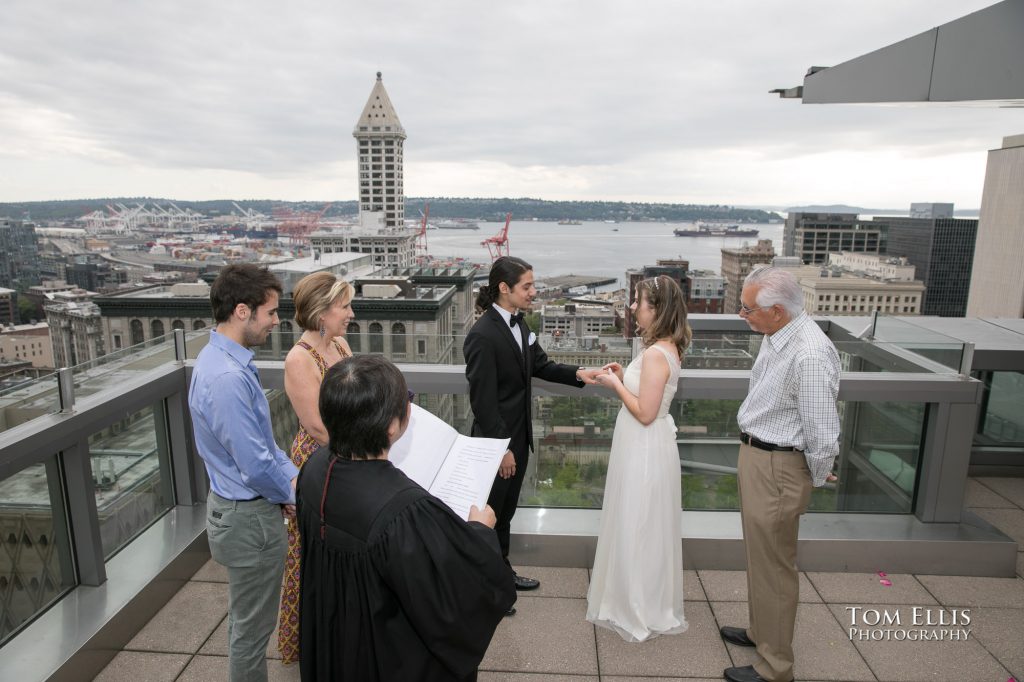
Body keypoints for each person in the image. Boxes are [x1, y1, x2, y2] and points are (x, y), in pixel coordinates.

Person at [297, 355, 516, 681]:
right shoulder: (404, 512)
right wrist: (479, 532)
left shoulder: (313, 471)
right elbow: (455, 600)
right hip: (385, 656)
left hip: (333, 641)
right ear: (393, 426)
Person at [719, 266, 840, 682]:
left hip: (779, 465)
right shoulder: (776, 336)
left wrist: (818, 472)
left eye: (748, 308)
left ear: (776, 310)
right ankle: (761, 633)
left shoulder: (807, 352)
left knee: (774, 567)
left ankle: (775, 668)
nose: (741, 314)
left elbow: (823, 429)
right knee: (760, 556)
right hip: (760, 457)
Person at [463, 256, 600, 606]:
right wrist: (501, 449)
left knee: (505, 513)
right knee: (489, 514)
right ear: (504, 288)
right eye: (527, 286)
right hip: (499, 445)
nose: (533, 292)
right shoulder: (481, 335)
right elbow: (483, 402)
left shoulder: (520, 326)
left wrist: (580, 373)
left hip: (521, 440)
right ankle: (486, 590)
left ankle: (501, 574)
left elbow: (542, 365)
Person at [188, 264, 296, 682]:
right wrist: (291, 493)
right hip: (249, 520)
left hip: (237, 510)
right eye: (269, 312)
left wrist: (289, 480)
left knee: (244, 619)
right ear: (241, 311)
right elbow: (255, 464)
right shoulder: (229, 378)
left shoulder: (215, 359)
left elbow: (266, 449)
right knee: (252, 633)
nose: (275, 321)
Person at [586, 275, 691, 642]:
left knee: (639, 519)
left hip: (644, 444)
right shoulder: (664, 349)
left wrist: (615, 385)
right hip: (643, 443)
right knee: (640, 519)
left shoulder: (657, 354)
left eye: (638, 302)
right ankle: (636, 596)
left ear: (657, 309)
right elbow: (647, 395)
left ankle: (637, 605)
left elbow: (645, 412)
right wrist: (623, 375)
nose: (632, 307)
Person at [277, 272, 355, 664]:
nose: (351, 314)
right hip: (320, 465)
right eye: (345, 307)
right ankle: (309, 641)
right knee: (311, 550)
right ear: (322, 312)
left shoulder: (340, 344)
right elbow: (317, 428)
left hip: (348, 456)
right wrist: (364, 451)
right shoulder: (298, 359)